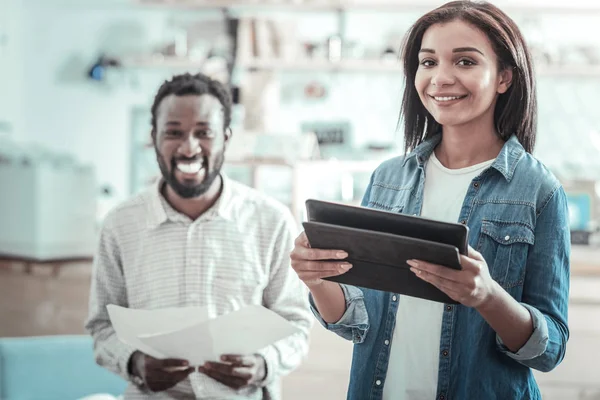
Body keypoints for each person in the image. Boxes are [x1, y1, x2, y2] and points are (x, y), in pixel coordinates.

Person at [290, 2, 570, 399]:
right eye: (428, 62)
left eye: (465, 62)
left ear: (504, 77)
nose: (441, 78)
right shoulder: (388, 179)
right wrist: (318, 279)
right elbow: (356, 322)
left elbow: (550, 349)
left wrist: (487, 297)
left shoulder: (538, 191)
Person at [86, 72, 312, 400]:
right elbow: (101, 326)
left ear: (226, 138)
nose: (189, 147)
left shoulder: (271, 221)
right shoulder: (120, 225)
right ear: (154, 137)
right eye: (174, 133)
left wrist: (264, 364)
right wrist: (134, 362)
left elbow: (296, 323)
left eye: (204, 133)